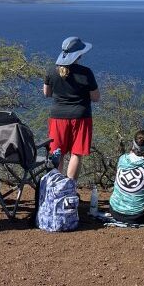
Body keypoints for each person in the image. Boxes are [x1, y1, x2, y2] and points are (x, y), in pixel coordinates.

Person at [43, 36, 99, 181]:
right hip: (80, 116)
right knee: (76, 153)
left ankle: (55, 185)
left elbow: (46, 93)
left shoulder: (51, 71)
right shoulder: (86, 73)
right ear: (78, 54)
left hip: (57, 116)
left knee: (57, 152)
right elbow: (95, 97)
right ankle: (69, 187)